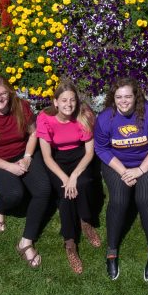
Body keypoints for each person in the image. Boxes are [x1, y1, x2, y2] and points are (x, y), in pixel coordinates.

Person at [0, 74, 51, 270]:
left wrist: (28, 156)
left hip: (22, 155)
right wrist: (10, 167)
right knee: (15, 193)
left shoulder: (21, 107)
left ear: (10, 92)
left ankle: (26, 241)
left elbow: (33, 133)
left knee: (44, 190)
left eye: (3, 93)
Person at [94, 79, 148, 281]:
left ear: (136, 96)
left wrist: (140, 170)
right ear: (113, 98)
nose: (123, 101)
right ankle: (111, 251)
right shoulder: (105, 118)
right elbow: (101, 149)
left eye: (128, 96)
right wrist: (123, 172)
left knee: (144, 198)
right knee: (119, 200)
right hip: (117, 164)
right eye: (119, 97)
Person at [36, 79, 103, 275]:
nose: (69, 105)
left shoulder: (83, 115)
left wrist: (74, 176)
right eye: (64, 101)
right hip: (57, 161)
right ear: (55, 102)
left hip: (79, 157)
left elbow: (90, 153)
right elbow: (47, 157)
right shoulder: (44, 118)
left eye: (72, 100)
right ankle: (70, 242)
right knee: (66, 195)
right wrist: (66, 179)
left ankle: (86, 221)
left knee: (83, 183)